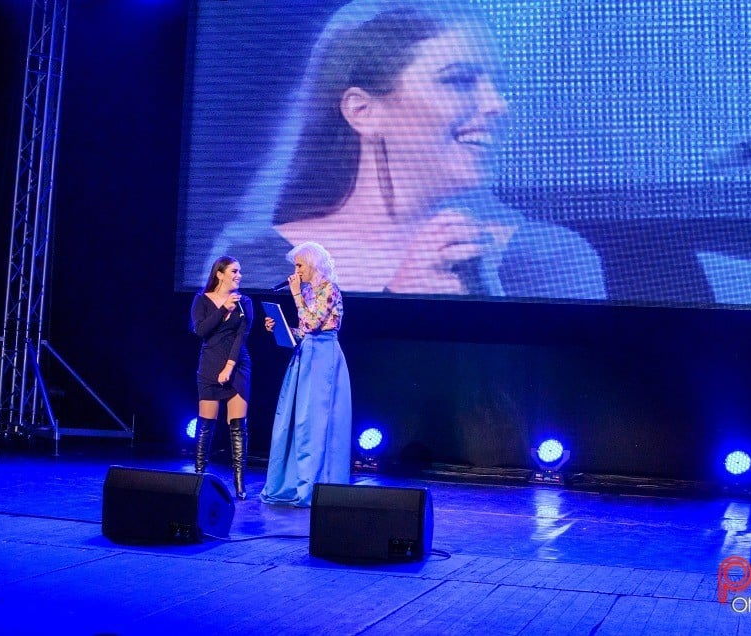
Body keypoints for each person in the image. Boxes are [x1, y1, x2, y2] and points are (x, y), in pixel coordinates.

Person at [208, 0, 606, 300]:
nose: (498, 104)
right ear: (362, 111)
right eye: (459, 81)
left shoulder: (550, 258)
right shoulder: (260, 260)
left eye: (498, 85)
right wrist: (396, 298)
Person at [260, 242, 352, 507]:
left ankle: (316, 485)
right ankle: (292, 481)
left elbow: (313, 323)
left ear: (313, 264)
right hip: (307, 355)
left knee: (315, 421)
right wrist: (281, 327)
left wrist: (296, 295)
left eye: (299, 265)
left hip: (323, 358)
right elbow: (304, 331)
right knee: (298, 420)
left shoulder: (329, 289)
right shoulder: (310, 291)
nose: (296, 271)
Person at [190, 256, 254, 499]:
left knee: (238, 426)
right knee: (206, 425)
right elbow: (200, 330)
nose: (239, 275)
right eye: (234, 271)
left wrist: (229, 366)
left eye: (240, 271)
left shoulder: (244, 303)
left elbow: (241, 337)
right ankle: (198, 476)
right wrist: (223, 309)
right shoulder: (202, 300)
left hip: (237, 365)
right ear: (220, 274)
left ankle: (239, 483)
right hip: (209, 365)